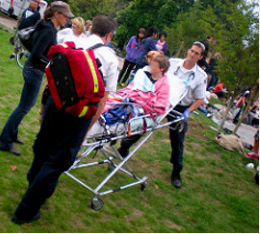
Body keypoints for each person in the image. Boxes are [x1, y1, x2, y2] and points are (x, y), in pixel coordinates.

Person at [11, 15, 118, 225]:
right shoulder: (110, 58)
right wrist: (88, 127)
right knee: (59, 159)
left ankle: (34, 182)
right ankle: (25, 211)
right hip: (79, 113)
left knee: (44, 145)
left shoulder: (74, 41)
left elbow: (52, 77)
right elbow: (102, 100)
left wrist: (43, 107)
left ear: (92, 28)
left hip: (55, 102)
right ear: (108, 36)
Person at [0, 1, 72, 157]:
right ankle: (4, 141)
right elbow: (36, 54)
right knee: (24, 108)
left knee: (23, 106)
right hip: (34, 71)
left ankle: (11, 134)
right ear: (57, 14)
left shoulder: (47, 26)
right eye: (66, 16)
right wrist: (51, 63)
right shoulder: (48, 30)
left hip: (33, 69)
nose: (68, 19)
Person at [166, 41, 207, 189]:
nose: (192, 54)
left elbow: (200, 98)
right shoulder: (172, 63)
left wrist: (188, 111)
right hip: (164, 101)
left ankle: (176, 172)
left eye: (197, 53)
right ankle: (124, 149)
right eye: (192, 51)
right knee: (143, 123)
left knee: (177, 140)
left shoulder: (200, 76)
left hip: (181, 107)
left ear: (200, 57)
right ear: (188, 50)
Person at [115, 55, 170, 157]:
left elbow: (159, 106)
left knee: (127, 129)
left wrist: (143, 102)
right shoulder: (144, 76)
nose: (150, 66)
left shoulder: (164, 86)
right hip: (131, 103)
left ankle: (123, 147)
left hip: (145, 113)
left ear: (161, 68)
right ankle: (120, 145)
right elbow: (131, 88)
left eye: (153, 65)